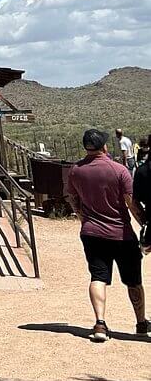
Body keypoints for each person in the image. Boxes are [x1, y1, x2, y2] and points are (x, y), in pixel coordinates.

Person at [66, 128, 147, 341]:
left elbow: (73, 199)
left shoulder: (75, 171)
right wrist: (145, 225)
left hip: (91, 233)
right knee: (133, 281)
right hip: (121, 234)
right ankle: (141, 322)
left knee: (98, 277)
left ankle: (100, 324)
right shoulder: (119, 170)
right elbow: (131, 204)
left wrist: (84, 219)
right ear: (105, 146)